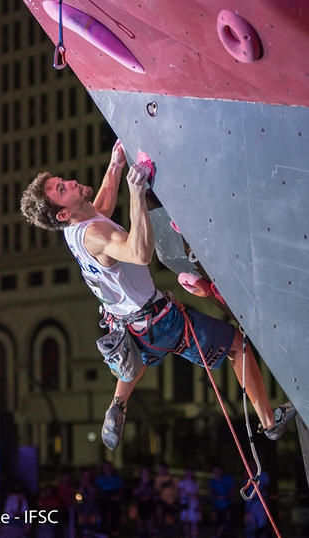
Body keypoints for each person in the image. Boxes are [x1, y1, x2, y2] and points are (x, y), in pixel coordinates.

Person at [20, 139, 297, 450]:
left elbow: (101, 209)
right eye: (62, 190)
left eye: (61, 180)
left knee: (137, 358)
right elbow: (139, 254)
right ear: (61, 214)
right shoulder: (95, 236)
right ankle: (270, 424)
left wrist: (115, 165)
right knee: (238, 347)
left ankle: (119, 403)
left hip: (126, 323)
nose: (69, 182)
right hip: (157, 322)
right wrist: (137, 195)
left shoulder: (77, 228)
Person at [94, 461, 124, 536]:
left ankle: (114, 530)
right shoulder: (100, 479)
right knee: (103, 511)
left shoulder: (117, 478)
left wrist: (117, 496)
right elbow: (96, 490)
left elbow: (121, 490)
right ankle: (103, 530)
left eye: (108, 467)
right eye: (105, 467)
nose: (106, 468)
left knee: (115, 512)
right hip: (103, 499)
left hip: (114, 499)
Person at [242, 461, 271, 538]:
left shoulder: (263, 474)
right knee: (250, 523)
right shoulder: (248, 475)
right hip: (250, 502)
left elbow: (266, 487)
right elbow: (244, 487)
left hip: (260, 501)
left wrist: (257, 490)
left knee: (262, 522)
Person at [209, 465, 235, 538]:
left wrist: (226, 496)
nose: (216, 473)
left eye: (217, 471)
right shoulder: (213, 481)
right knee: (217, 523)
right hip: (216, 506)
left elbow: (232, 491)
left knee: (225, 523)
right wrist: (213, 495)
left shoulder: (227, 478)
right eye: (214, 471)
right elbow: (211, 492)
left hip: (226, 505)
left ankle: (218, 535)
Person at [153, 461, 179, 534]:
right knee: (159, 510)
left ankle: (171, 528)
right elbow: (156, 490)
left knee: (170, 517)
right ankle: (160, 526)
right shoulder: (158, 479)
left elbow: (178, 489)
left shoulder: (173, 478)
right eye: (161, 469)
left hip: (172, 501)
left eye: (163, 469)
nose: (162, 471)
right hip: (163, 501)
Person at [178, 468, 201, 538]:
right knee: (185, 521)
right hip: (185, 503)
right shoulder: (182, 483)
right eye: (187, 472)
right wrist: (191, 495)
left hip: (194, 503)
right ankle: (186, 535)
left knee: (194, 521)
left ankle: (194, 536)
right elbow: (185, 493)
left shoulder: (195, 483)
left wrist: (198, 504)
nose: (189, 474)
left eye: (191, 472)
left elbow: (196, 494)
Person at [132, 466, 155, 538]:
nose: (145, 474)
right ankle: (141, 533)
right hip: (140, 503)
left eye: (146, 472)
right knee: (140, 521)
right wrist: (140, 488)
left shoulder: (151, 483)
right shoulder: (138, 482)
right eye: (143, 472)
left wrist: (150, 493)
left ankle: (151, 533)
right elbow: (134, 492)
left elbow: (154, 492)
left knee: (149, 521)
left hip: (149, 503)